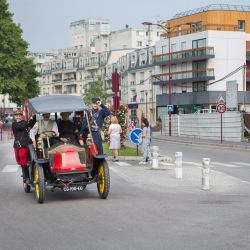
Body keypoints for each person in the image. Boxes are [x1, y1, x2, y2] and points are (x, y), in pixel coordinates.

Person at [12, 110, 36, 183]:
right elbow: (20, 126)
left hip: (25, 144)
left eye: (19, 115)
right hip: (17, 144)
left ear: (22, 116)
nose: (18, 116)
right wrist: (28, 122)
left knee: (22, 156)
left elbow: (32, 124)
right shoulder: (14, 124)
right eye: (16, 115)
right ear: (15, 116)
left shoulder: (25, 122)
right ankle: (24, 171)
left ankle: (27, 177)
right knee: (19, 160)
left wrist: (33, 117)